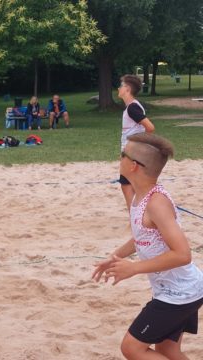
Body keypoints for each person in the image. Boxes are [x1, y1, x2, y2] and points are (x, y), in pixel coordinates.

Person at [92, 132, 203, 360]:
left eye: (123, 154)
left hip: (180, 294)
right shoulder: (139, 196)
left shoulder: (156, 203)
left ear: (133, 166)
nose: (119, 157)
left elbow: (183, 254)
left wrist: (134, 268)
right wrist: (114, 257)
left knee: (132, 349)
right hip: (177, 290)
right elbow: (142, 236)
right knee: (167, 350)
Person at [118, 74, 155, 210]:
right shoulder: (131, 107)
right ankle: (137, 214)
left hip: (132, 151)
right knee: (129, 183)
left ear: (127, 89)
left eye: (121, 86)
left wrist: (134, 146)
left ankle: (134, 217)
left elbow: (150, 127)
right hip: (130, 151)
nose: (118, 88)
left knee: (126, 184)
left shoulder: (133, 108)